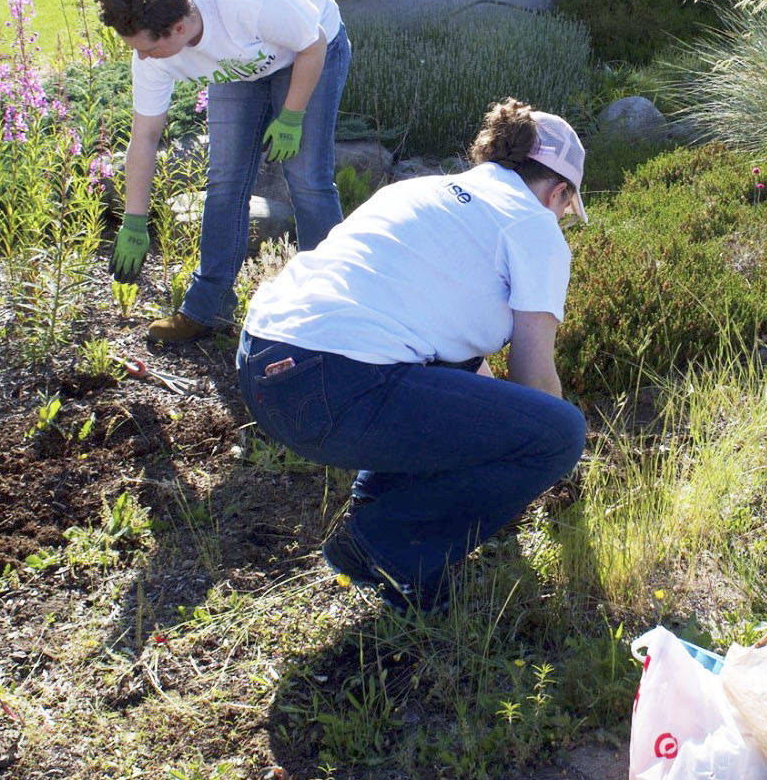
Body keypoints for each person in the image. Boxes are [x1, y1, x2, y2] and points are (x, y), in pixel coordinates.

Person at [235, 99, 589, 609]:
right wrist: (553, 458)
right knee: (561, 432)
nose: (560, 221)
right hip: (335, 382)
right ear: (559, 192)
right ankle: (387, 545)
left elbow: (463, 379)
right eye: (565, 211)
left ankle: (379, 509)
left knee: (453, 368)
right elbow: (536, 381)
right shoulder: (532, 227)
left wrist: (500, 440)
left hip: (262, 365)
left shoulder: (421, 191)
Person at [96, 0, 351, 341]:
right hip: (241, 66)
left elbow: (313, 43)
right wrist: (134, 220)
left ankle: (336, 304)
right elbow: (144, 138)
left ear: (179, 28)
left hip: (310, 49)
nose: (143, 58)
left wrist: (292, 116)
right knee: (225, 181)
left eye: (148, 47)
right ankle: (208, 307)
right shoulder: (152, 54)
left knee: (306, 178)